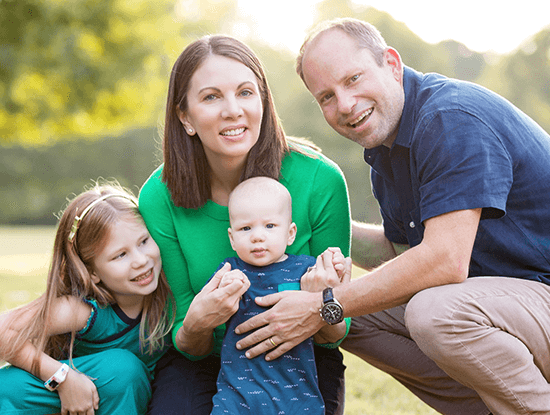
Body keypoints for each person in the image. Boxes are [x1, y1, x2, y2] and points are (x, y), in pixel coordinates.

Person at [233, 17, 550, 415]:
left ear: (392, 64)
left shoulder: (449, 119)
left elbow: (444, 261)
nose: (344, 105)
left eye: (353, 79)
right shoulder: (386, 149)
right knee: (348, 321)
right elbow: (401, 254)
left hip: (540, 292)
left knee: (432, 313)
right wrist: (314, 219)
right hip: (511, 301)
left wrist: (322, 306)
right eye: (327, 96)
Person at [138, 35, 351, 415]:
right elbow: (184, 337)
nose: (233, 110)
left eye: (246, 92)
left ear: (264, 102)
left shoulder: (320, 180)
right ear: (185, 117)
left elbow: (334, 335)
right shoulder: (159, 195)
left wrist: (323, 305)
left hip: (298, 358)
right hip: (203, 361)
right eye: (211, 97)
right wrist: (198, 324)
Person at [0, 182, 175, 415]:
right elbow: (3, 331)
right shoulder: (84, 310)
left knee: (125, 373)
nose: (141, 260)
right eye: (120, 255)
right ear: (92, 272)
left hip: (120, 397)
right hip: (66, 398)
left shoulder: (170, 290)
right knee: (121, 369)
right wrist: (63, 378)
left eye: (143, 241)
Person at [211, 176, 350, 414]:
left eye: (270, 226)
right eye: (246, 228)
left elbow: (332, 291)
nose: (257, 236)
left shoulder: (306, 270)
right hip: (237, 393)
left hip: (296, 393)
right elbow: (211, 307)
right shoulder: (229, 271)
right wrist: (225, 290)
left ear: (290, 233)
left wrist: (335, 265)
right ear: (232, 238)